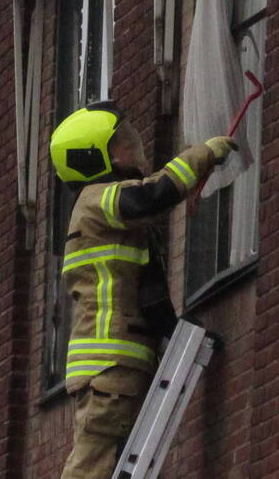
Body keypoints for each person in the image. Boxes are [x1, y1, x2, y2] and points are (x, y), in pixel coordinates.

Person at [50, 101, 237, 479]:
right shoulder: (97, 200)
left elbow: (147, 291)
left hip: (120, 368)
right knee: (93, 465)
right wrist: (202, 154)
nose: (133, 149)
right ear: (93, 158)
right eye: (121, 144)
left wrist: (177, 332)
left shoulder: (117, 224)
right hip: (109, 368)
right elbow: (152, 195)